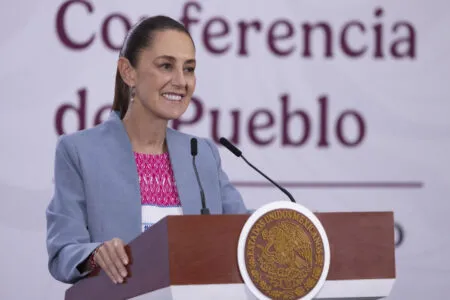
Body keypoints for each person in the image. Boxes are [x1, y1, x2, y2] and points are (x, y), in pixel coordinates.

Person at [46, 15, 249, 285]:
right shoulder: (79, 151)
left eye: (188, 69)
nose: (181, 81)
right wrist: (95, 254)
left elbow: (245, 231)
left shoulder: (201, 153)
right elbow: (63, 250)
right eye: (166, 66)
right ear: (128, 72)